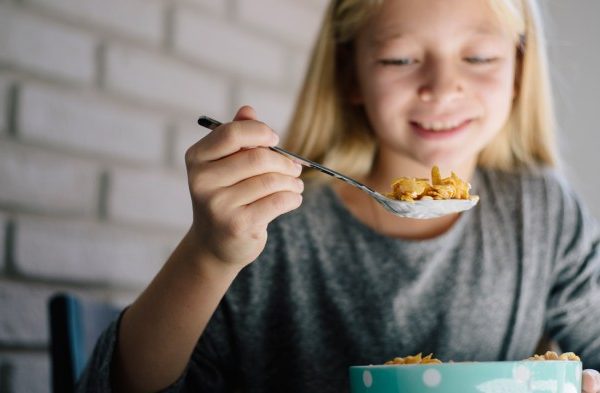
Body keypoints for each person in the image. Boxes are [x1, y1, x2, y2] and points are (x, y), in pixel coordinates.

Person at [77, 0, 600, 392]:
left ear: (518, 71)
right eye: (399, 59)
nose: (442, 87)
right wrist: (208, 254)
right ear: (351, 75)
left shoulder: (541, 213)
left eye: (480, 56)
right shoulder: (273, 218)